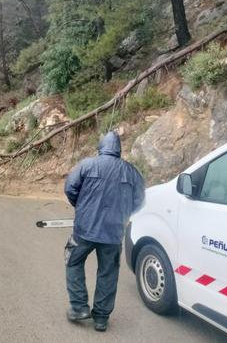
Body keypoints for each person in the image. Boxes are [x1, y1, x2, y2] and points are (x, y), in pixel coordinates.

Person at [62, 131, 144, 332]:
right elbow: (139, 200)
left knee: (73, 261)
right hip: (113, 234)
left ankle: (80, 307)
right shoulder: (131, 171)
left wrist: (81, 207)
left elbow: (70, 188)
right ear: (119, 150)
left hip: (85, 230)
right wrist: (123, 213)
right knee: (108, 273)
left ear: (100, 147)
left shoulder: (87, 165)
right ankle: (101, 318)